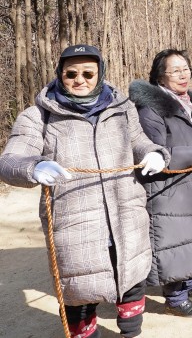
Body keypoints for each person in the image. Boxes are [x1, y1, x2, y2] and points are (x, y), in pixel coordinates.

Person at [0, 44, 168, 338]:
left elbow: (139, 141)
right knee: (78, 293)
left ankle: (131, 332)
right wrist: (33, 166)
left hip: (126, 214)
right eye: (71, 74)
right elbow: (10, 160)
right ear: (60, 74)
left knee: (130, 279)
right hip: (75, 224)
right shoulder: (38, 116)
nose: (80, 80)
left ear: (100, 74)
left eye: (88, 73)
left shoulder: (122, 108)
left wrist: (154, 153)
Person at [130, 49, 192, 317]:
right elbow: (154, 150)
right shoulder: (150, 109)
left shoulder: (185, 102)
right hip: (168, 188)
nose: (183, 75)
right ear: (160, 77)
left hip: (191, 182)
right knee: (173, 241)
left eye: (186, 69)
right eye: (175, 71)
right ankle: (176, 297)